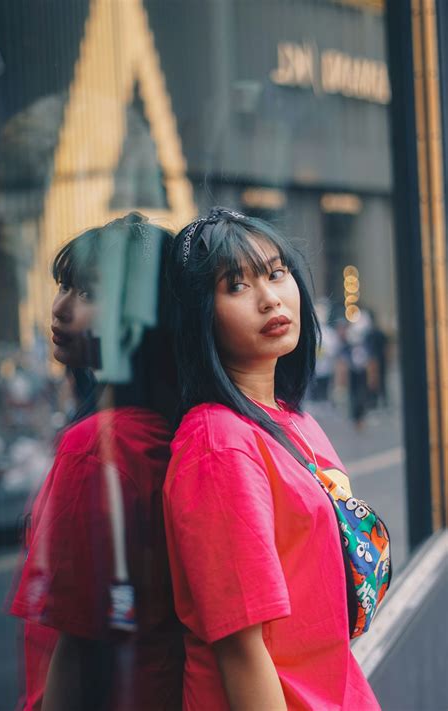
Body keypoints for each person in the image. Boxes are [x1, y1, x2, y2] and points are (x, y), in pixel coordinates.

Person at [163, 207, 380, 710]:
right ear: (200, 314)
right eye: (235, 286)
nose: (269, 299)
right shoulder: (218, 445)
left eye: (275, 273)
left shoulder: (291, 420)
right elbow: (242, 649)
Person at [8, 214, 183, 710]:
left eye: (87, 294)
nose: (59, 309)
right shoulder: (167, 427)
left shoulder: (97, 447)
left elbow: (77, 644)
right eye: (64, 286)